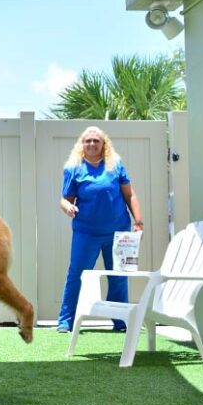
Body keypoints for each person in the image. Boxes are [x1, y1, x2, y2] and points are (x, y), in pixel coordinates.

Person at [56, 126, 143, 333]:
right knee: (76, 273)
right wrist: (67, 206)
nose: (92, 144)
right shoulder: (73, 168)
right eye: (88, 141)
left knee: (119, 275)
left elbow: (129, 195)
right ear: (82, 144)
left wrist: (138, 222)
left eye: (96, 141)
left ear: (104, 144)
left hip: (118, 231)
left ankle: (120, 321)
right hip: (86, 232)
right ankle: (65, 321)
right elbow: (65, 199)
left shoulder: (116, 165)